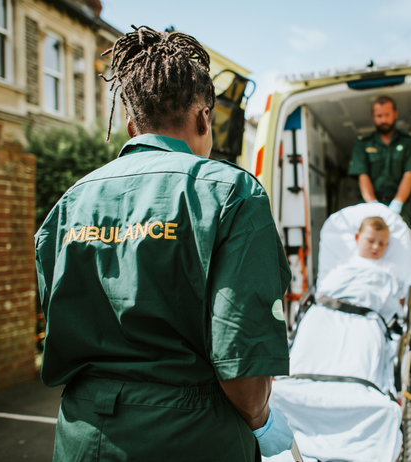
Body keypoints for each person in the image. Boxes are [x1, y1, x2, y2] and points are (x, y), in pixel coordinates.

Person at [34, 26, 293, 461]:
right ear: (204, 118)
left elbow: (59, 316)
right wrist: (262, 419)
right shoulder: (231, 193)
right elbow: (242, 365)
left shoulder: (71, 201)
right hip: (193, 437)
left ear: (133, 126)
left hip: (83, 438)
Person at [347, 96, 411, 227]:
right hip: (369, 206)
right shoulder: (363, 143)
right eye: (379, 116)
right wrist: (373, 205)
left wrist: (397, 204)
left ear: (395, 114)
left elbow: (410, 174)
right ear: (373, 117)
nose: (383, 120)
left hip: (400, 207)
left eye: (387, 114)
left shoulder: (409, 141)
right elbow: (362, 175)